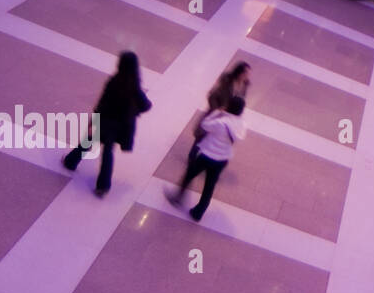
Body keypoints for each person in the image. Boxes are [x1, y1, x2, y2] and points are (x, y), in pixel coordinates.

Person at [63, 51, 151, 196]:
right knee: (108, 153)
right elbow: (146, 105)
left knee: (88, 141)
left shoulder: (114, 81)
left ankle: (70, 162)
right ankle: (103, 186)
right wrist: (134, 110)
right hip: (120, 127)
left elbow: (102, 103)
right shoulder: (135, 87)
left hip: (104, 120)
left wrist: (93, 120)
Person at [166, 95, 247, 221]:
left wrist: (217, 112)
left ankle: (177, 198)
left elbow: (204, 125)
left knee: (189, 175)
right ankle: (198, 213)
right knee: (209, 186)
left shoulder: (221, 122)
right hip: (222, 160)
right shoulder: (241, 124)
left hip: (207, 156)